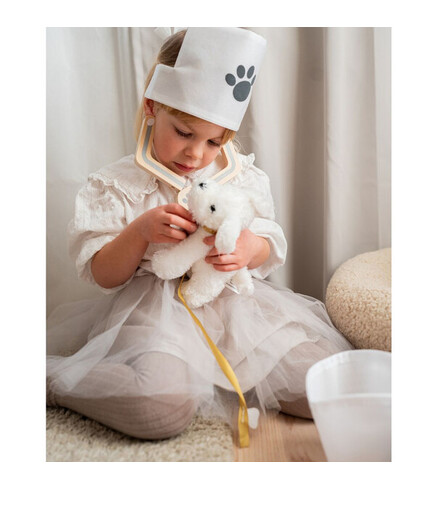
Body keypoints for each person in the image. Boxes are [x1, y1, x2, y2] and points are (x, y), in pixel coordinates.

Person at [47, 27, 353, 442]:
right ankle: (51, 380)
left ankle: (225, 372)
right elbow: (103, 274)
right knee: (158, 409)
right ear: (152, 106)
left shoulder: (240, 175)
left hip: (233, 306)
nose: (196, 154)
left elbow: (268, 242)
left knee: (325, 388)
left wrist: (250, 248)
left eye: (214, 141)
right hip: (154, 312)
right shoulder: (117, 185)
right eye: (184, 133)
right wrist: (140, 232)